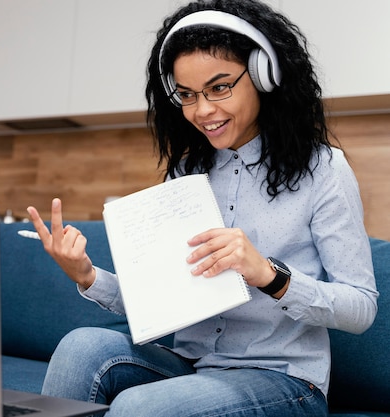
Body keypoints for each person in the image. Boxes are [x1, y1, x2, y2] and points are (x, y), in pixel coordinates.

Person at [26, 0, 378, 415]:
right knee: (81, 346)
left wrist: (269, 274)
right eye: (187, 95)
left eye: (220, 87)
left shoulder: (323, 169)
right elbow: (160, 302)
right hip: (192, 367)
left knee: (141, 407)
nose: (202, 110)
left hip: (283, 380)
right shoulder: (187, 172)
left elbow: (361, 307)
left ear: (265, 77)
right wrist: (85, 275)